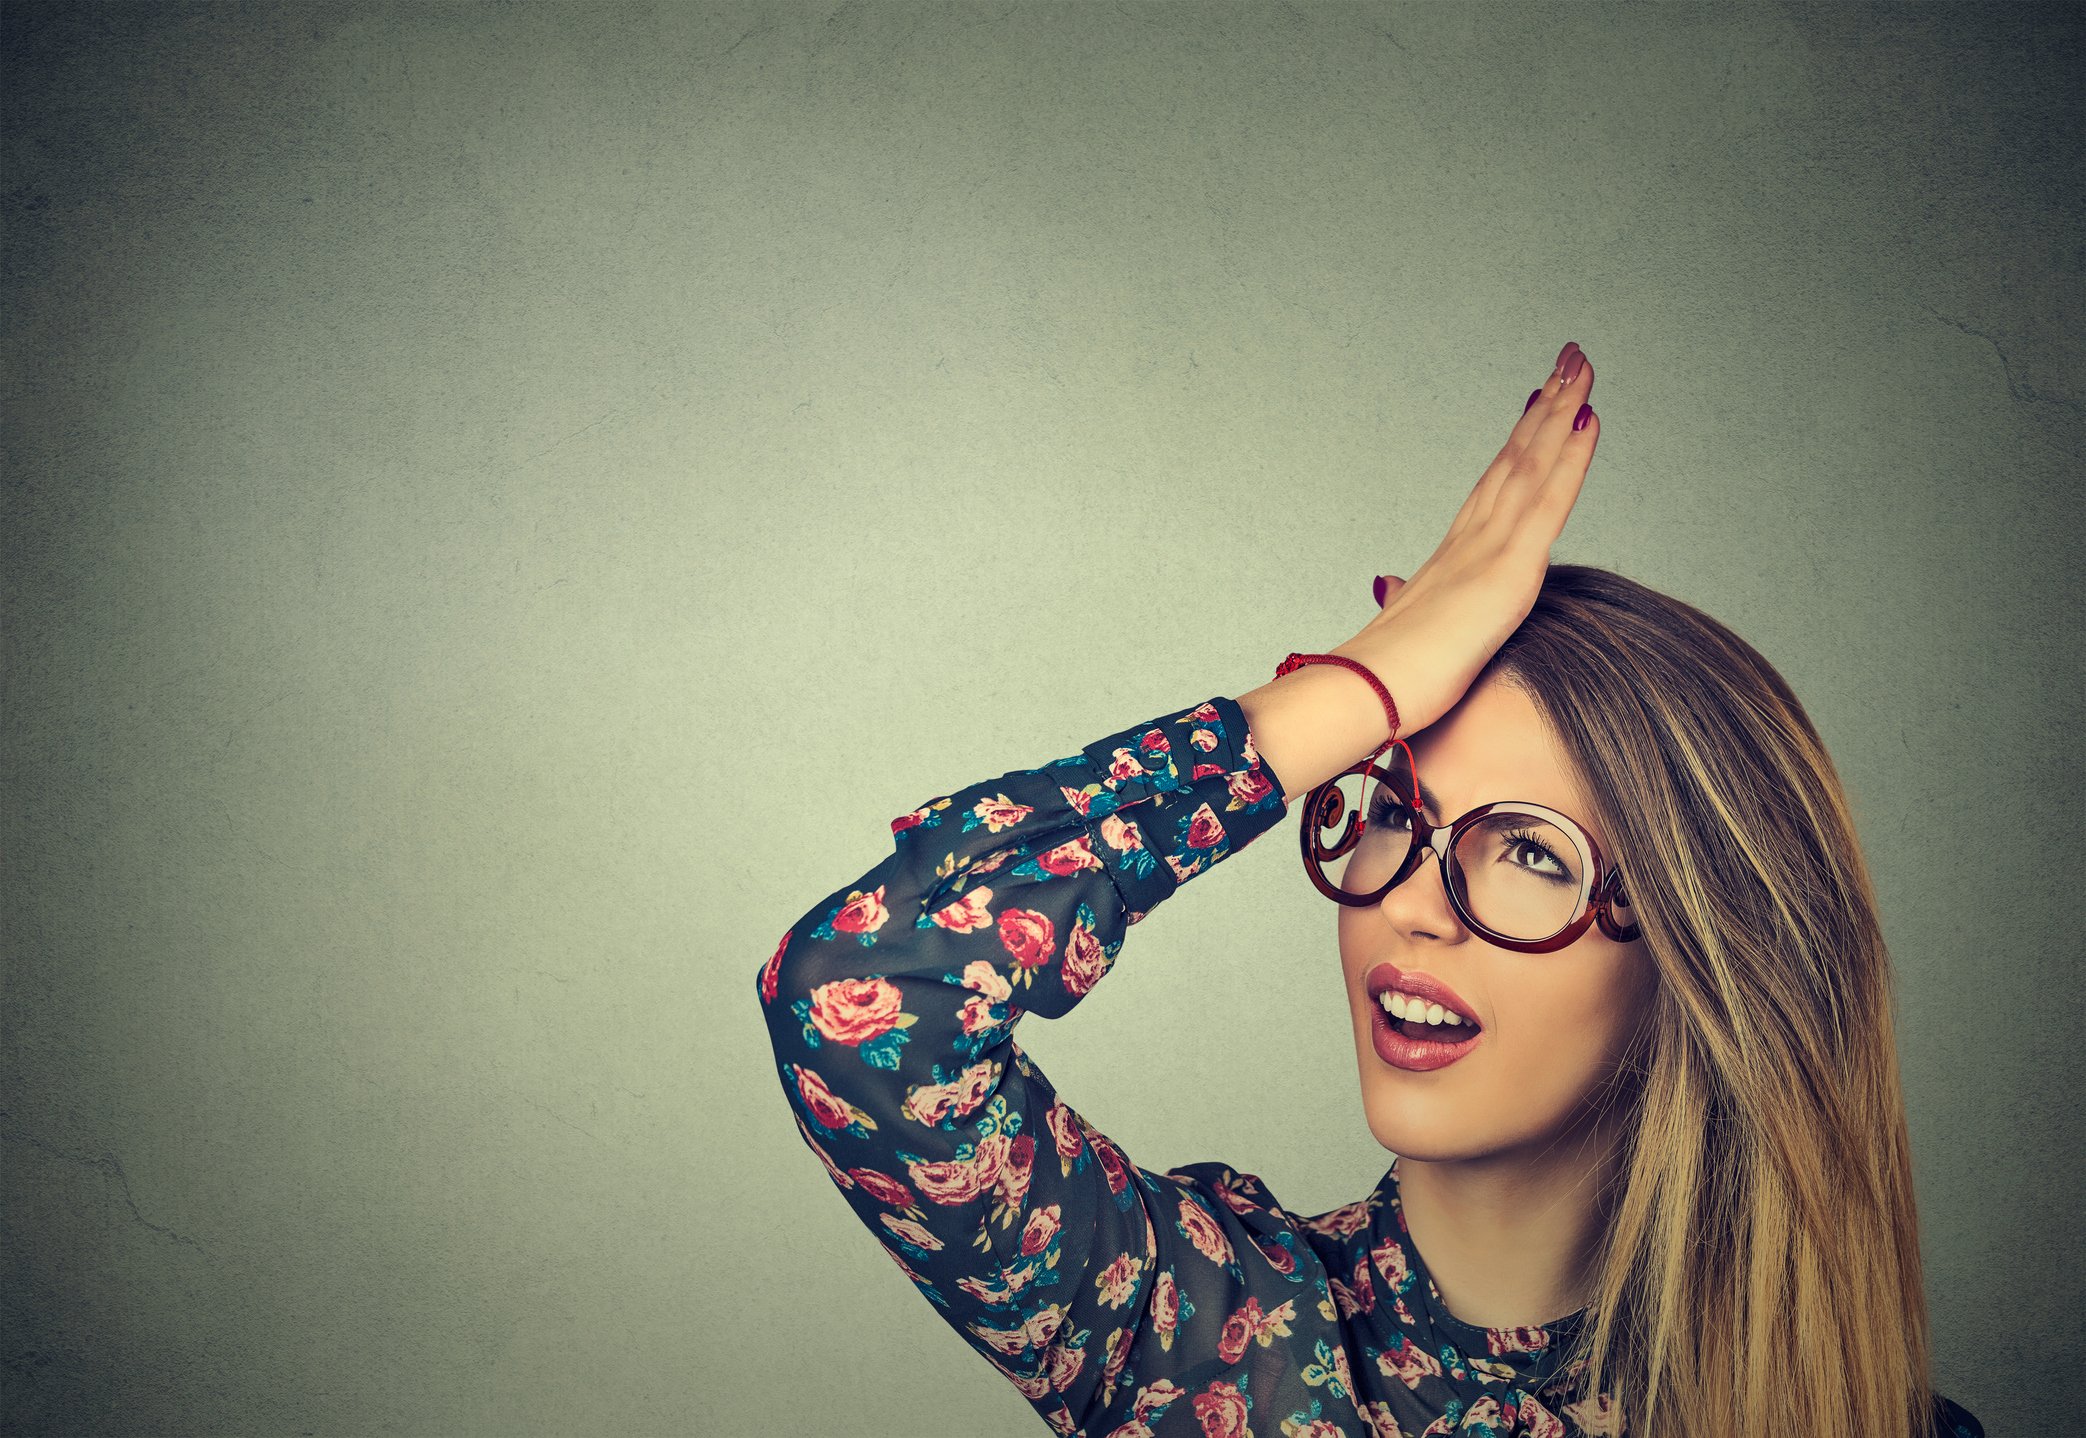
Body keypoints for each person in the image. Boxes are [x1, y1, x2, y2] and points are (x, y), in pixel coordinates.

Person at [755, 342, 1984, 1438]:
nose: (1412, 901)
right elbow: (856, 998)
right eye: (1392, 807)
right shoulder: (1202, 1337)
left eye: (1531, 850)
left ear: (1698, 958)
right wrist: (1361, 686)